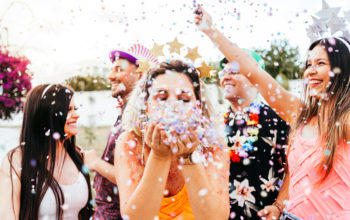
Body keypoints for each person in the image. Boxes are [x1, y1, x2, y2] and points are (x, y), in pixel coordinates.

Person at [195, 6, 350, 220]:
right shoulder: (299, 114)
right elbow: (253, 71)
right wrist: (211, 30)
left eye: (320, 63)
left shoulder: (346, 122)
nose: (310, 71)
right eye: (308, 64)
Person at [114, 60, 230, 220]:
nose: (173, 106)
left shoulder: (213, 145)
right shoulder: (130, 143)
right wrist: (159, 156)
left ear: (198, 107)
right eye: (162, 97)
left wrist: (189, 158)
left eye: (184, 99)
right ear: (146, 106)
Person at [0, 84, 93, 220]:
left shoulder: (77, 155)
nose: (77, 115)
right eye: (68, 109)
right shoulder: (17, 159)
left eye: (75, 109)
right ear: (45, 115)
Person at [219, 54, 289, 219]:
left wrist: (278, 207)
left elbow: (293, 170)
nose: (226, 77)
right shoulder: (215, 123)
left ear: (256, 79)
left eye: (234, 72)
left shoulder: (276, 119)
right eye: (224, 72)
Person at [83, 47, 144, 220]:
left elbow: (136, 178)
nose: (110, 76)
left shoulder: (141, 118)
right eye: (111, 70)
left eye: (119, 70)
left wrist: (95, 163)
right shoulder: (127, 113)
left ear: (140, 76)